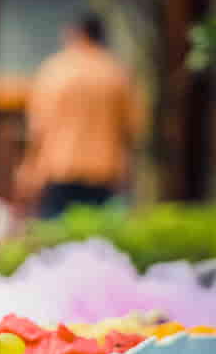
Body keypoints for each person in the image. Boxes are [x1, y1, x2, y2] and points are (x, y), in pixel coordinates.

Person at [16, 13, 143, 219]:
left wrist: (29, 167)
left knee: (54, 236)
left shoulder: (55, 70)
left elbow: (38, 126)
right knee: (98, 239)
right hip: (105, 168)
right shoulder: (117, 73)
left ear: (75, 33)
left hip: (60, 165)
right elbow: (133, 126)